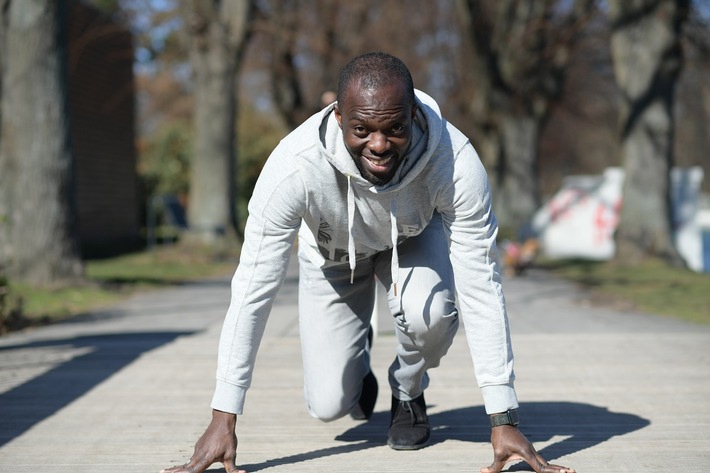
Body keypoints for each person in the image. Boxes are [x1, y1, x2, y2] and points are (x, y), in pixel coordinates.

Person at [161, 52, 575, 473]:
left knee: (430, 313)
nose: (378, 145)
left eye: (394, 129)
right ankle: (358, 372)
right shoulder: (293, 169)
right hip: (333, 255)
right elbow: (252, 288)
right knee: (327, 405)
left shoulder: (455, 163)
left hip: (411, 238)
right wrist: (222, 416)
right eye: (362, 130)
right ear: (339, 118)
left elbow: (481, 283)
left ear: (413, 115)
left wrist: (503, 417)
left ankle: (408, 390)